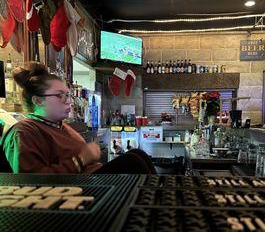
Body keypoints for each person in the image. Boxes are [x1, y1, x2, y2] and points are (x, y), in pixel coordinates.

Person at [1, 62, 156, 175]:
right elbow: (31, 182)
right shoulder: (24, 132)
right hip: (73, 191)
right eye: (60, 95)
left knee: (138, 154)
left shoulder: (60, 126)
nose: (68, 100)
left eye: (68, 95)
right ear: (38, 101)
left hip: (91, 182)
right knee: (132, 161)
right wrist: (81, 159)